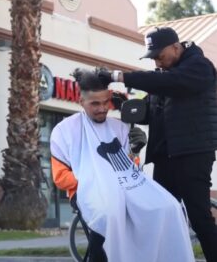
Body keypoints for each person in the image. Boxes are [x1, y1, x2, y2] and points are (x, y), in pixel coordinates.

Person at [50, 68, 194, 262]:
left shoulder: (119, 127)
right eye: (95, 104)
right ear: (81, 101)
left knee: (169, 208)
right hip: (87, 191)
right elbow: (60, 178)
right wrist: (96, 179)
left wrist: (135, 150)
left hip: (127, 187)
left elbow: (131, 167)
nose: (102, 108)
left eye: (105, 102)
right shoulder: (64, 131)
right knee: (109, 215)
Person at [98, 26, 217, 262]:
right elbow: (148, 112)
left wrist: (118, 76)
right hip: (165, 156)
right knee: (162, 215)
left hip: (192, 153)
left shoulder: (199, 67)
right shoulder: (164, 78)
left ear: (176, 47)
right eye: (153, 59)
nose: (157, 64)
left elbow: (175, 83)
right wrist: (122, 105)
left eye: (159, 57)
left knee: (198, 216)